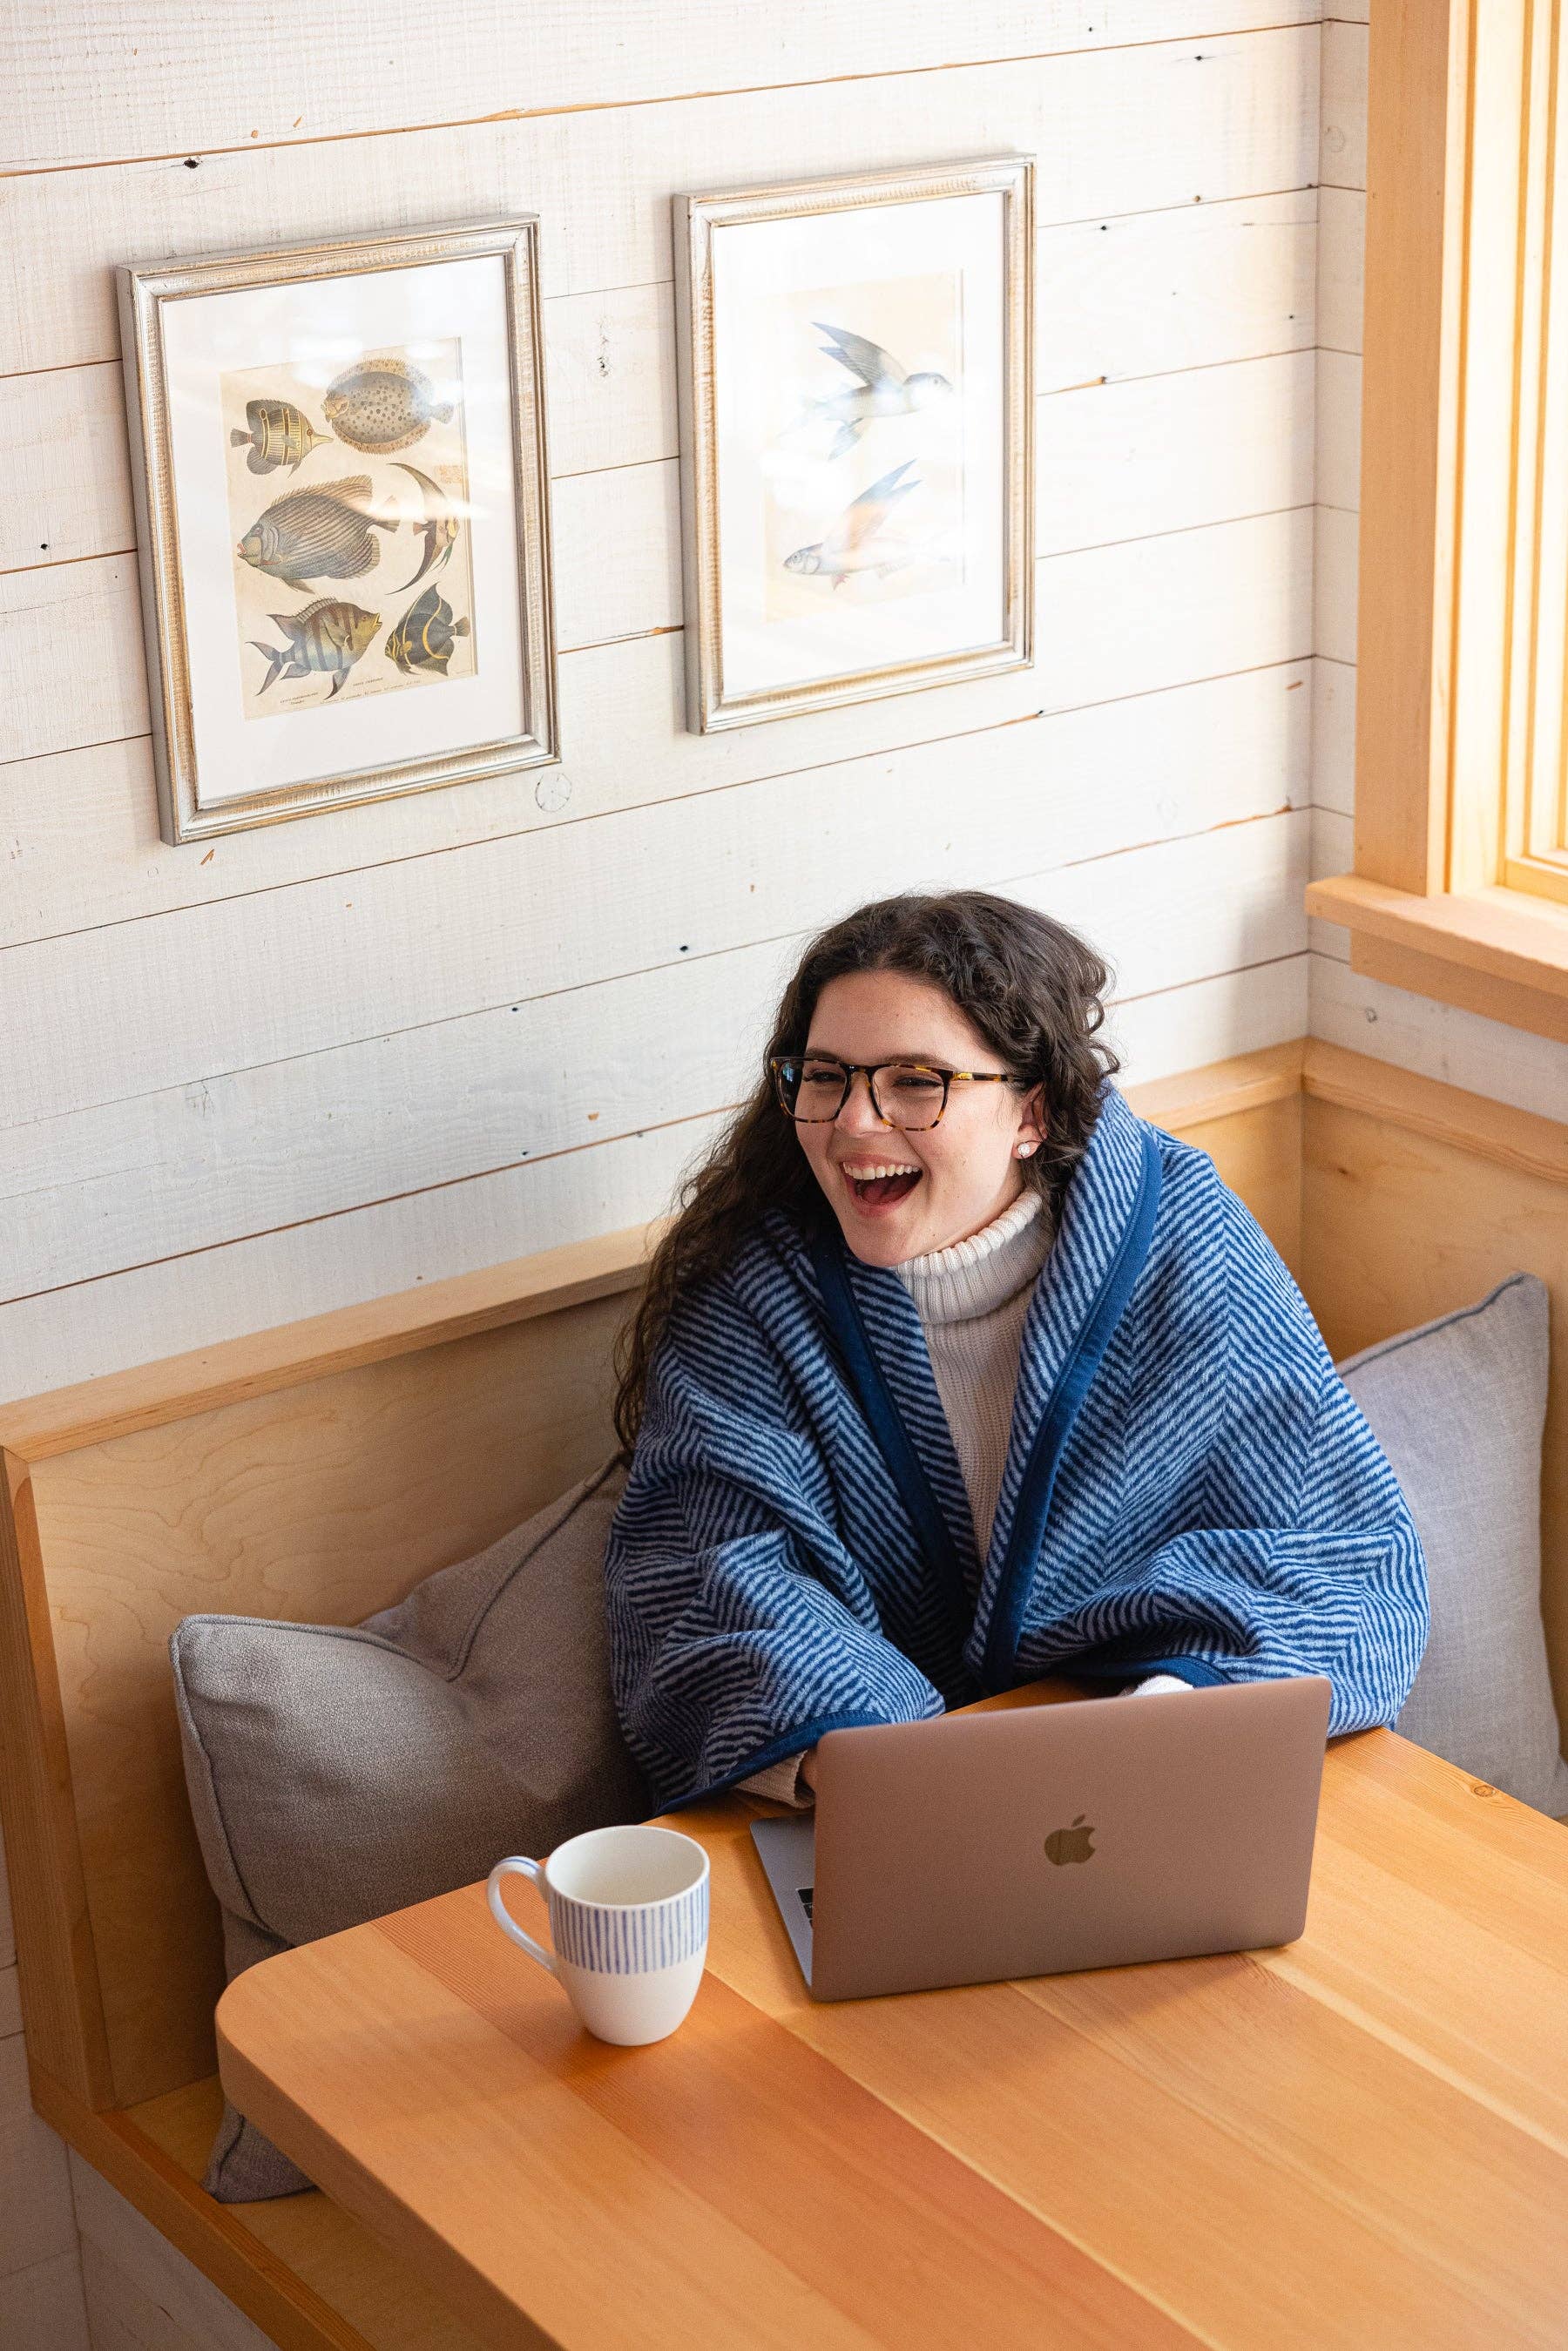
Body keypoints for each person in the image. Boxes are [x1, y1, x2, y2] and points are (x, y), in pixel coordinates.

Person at [604, 891, 1428, 1812]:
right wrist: (900, 1778)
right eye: (826, 1075)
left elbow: (1335, 1551)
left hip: (1153, 1781)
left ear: (1030, 1110)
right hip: (884, 1809)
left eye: (916, 1080)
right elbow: (708, 1577)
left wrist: (1162, 1726)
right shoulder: (754, 1291)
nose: (852, 1124)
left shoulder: (1178, 1234)